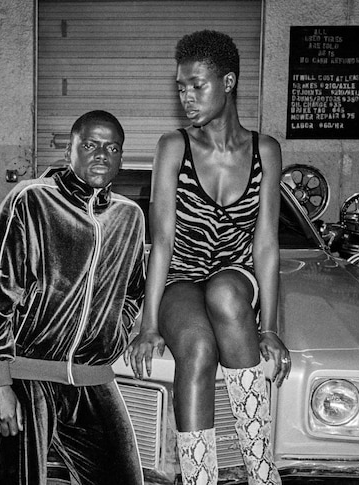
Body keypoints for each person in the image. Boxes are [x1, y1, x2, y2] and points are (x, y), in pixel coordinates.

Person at [126, 30, 290, 485]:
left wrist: (270, 329)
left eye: (197, 86)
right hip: (181, 273)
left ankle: (261, 470)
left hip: (235, 276)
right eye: (181, 87)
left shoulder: (266, 150)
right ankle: (200, 479)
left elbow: (266, 244)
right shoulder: (174, 146)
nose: (187, 98)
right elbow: (161, 241)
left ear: (229, 81)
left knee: (223, 292)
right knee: (196, 348)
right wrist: (148, 325)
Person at [0, 110, 146, 485]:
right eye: (91, 145)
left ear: (120, 160)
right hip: (22, 372)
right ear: (70, 152)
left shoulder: (130, 217)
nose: (101, 154)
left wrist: (115, 329)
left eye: (112, 148)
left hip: (91, 380)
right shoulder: (31, 201)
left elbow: (133, 290)